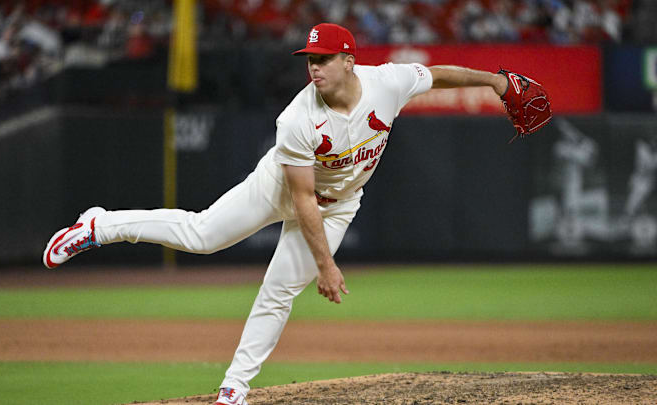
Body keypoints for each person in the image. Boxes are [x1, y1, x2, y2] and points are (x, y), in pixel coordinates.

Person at [43, 23, 508, 405]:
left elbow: (437, 74)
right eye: (310, 59)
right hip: (279, 189)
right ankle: (100, 225)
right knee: (202, 234)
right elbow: (302, 199)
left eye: (324, 58)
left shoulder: (387, 82)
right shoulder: (298, 118)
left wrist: (494, 81)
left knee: (278, 292)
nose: (315, 67)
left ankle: (233, 387)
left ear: (349, 60)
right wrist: (326, 264)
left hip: (339, 204)